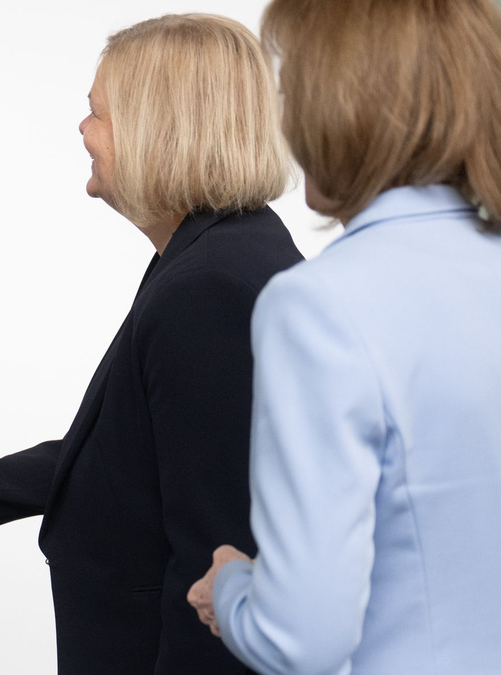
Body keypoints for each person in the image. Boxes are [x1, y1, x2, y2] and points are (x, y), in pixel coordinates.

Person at [0, 13, 302, 675]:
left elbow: (217, 557)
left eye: (97, 113)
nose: (83, 131)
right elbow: (131, 450)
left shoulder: (209, 287)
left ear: (158, 128)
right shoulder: (215, 252)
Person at [186, 1, 501, 673]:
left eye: (291, 86)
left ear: (337, 104)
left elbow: (301, 639)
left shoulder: (320, 306)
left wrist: (233, 586)